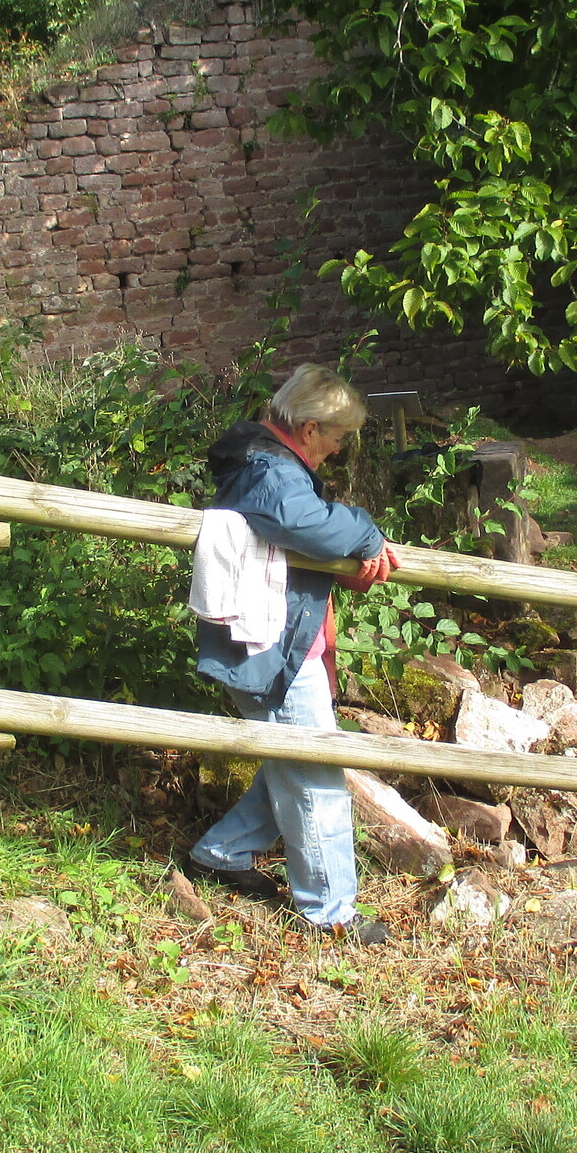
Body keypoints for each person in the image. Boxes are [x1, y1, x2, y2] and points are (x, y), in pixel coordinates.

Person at [187, 363, 404, 943]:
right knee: (314, 775)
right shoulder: (271, 472)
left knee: (292, 759)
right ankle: (329, 912)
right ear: (310, 429)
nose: (339, 449)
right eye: (337, 436)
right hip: (276, 648)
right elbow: (305, 524)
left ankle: (221, 853)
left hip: (280, 641)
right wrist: (365, 532)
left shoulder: (265, 463)